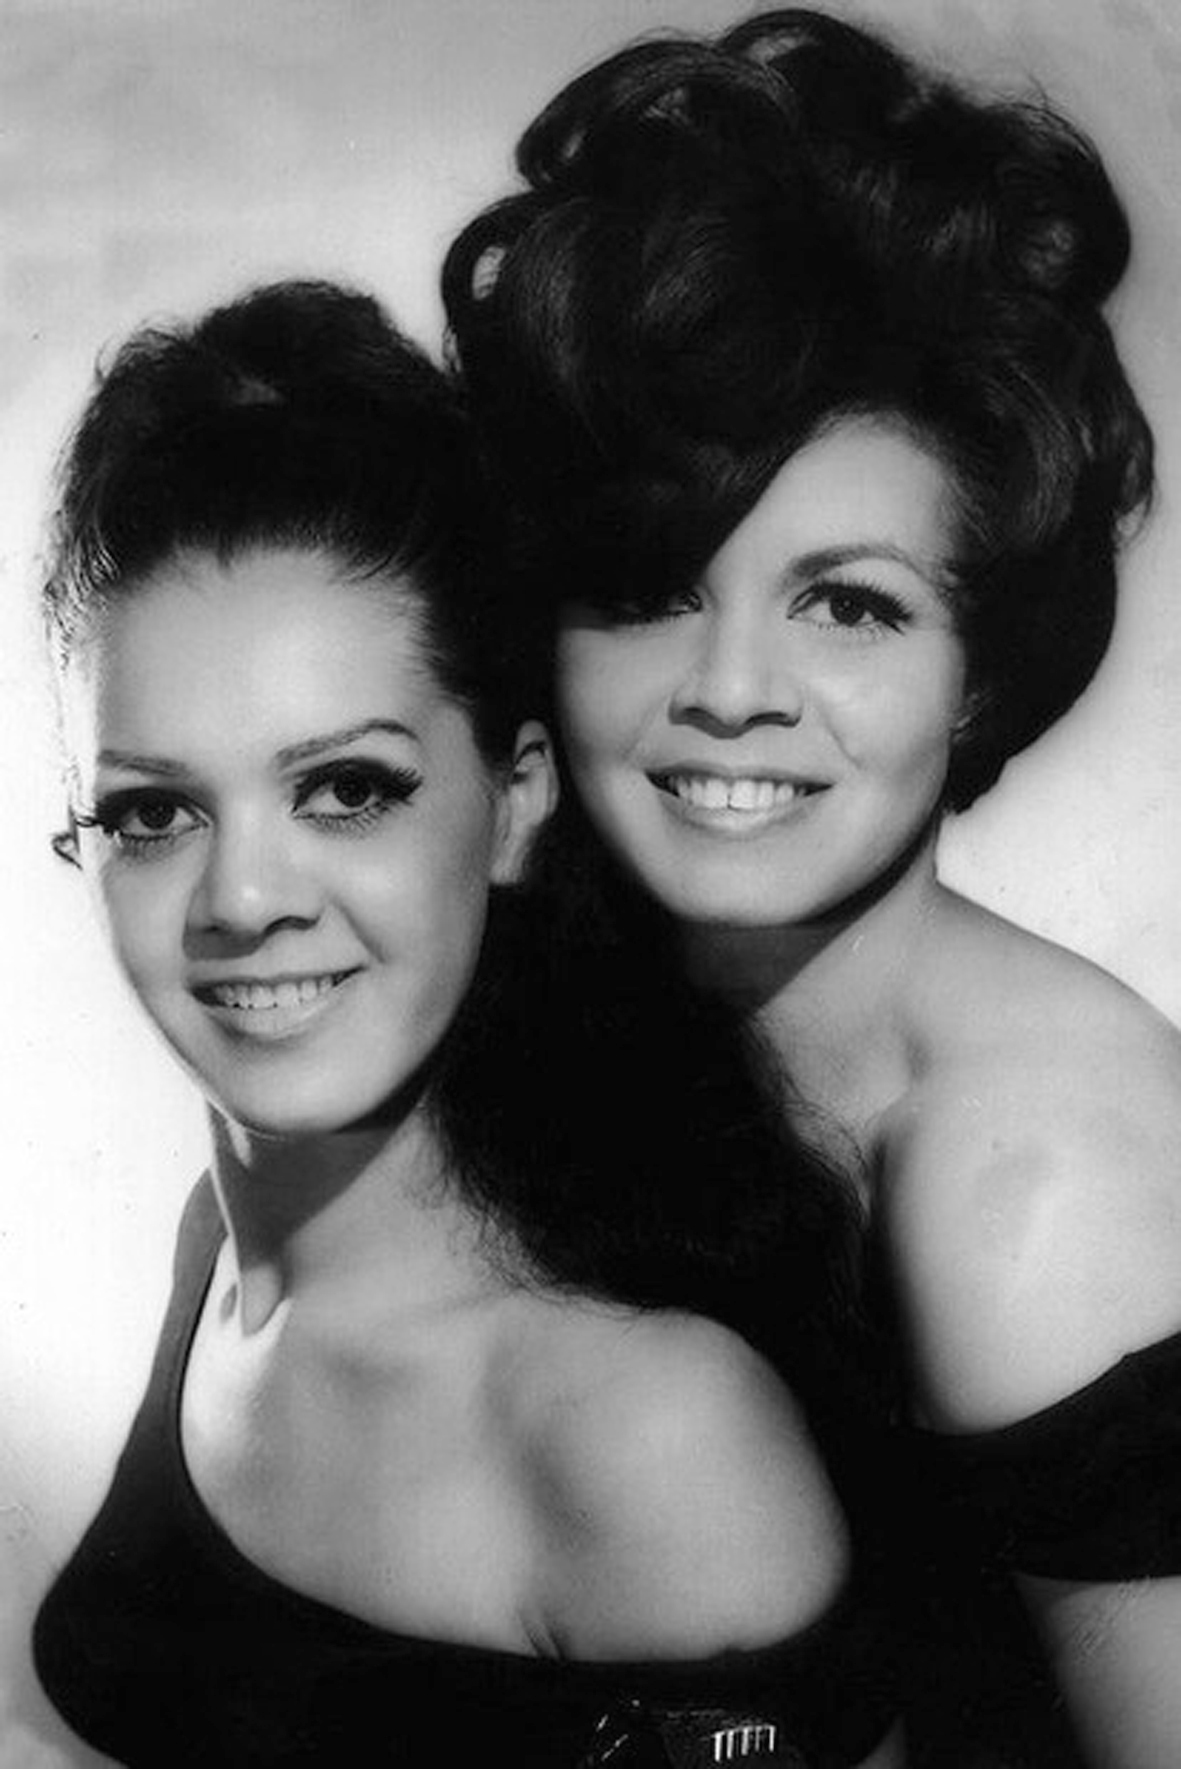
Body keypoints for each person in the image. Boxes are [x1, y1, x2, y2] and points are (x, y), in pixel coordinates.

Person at [31, 277, 902, 1767]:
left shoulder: (651, 1440)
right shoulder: (217, 1251)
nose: (242, 898)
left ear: (515, 802)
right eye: (156, 809)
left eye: (347, 788)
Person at [442, 9, 1181, 1766]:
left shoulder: (1037, 1180)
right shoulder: (525, 956)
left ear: (980, 666)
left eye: (847, 603)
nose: (728, 689)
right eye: (647, 585)